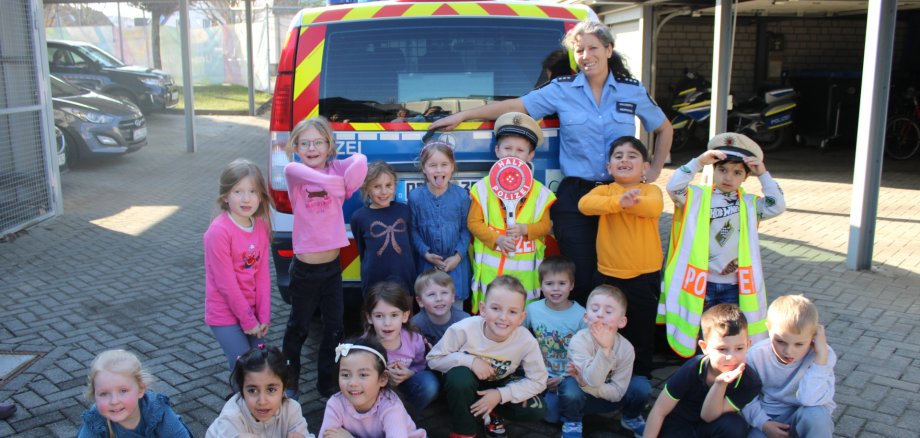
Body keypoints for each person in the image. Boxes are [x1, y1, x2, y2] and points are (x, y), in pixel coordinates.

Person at [430, 20, 673, 305]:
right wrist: (463, 115)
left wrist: (653, 172)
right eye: (579, 50)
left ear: (609, 50)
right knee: (580, 275)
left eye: (593, 48)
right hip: (577, 196)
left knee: (619, 272)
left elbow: (664, 128)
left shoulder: (630, 90)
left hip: (619, 195)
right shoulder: (562, 89)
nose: (586, 56)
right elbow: (517, 106)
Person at [661, 132, 786, 358]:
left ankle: (726, 372)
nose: (728, 177)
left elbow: (777, 205)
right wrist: (698, 162)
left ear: (746, 176)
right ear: (714, 169)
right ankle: (701, 372)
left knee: (729, 336)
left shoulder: (750, 204)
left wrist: (763, 174)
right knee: (703, 337)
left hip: (734, 285)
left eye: (737, 172)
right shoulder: (696, 197)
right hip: (702, 284)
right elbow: (673, 187)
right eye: (723, 170)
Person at [282, 116, 368, 398]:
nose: (312, 148)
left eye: (318, 142)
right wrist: (335, 185)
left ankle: (328, 384)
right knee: (298, 327)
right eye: (304, 143)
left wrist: (340, 180)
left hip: (332, 269)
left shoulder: (335, 168)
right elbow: (300, 171)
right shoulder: (295, 174)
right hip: (304, 270)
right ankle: (289, 382)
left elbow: (360, 161)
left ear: (329, 146)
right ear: (295, 147)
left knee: (335, 329)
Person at [577, 136, 662, 384]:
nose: (624, 160)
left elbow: (653, 208)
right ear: (609, 167)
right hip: (608, 276)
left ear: (645, 167)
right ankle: (604, 372)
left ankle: (640, 379)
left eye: (632, 156)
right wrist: (618, 202)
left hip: (644, 277)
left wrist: (627, 202)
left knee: (641, 330)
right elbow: (585, 204)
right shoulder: (604, 191)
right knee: (604, 327)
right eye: (618, 156)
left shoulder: (652, 190)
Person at [427, 275, 548, 438]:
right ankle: (464, 430)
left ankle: (493, 412)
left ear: (521, 317)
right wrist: (470, 361)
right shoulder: (463, 329)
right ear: (483, 309)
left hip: (500, 383)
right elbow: (433, 360)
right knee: (459, 377)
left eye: (512, 312)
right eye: (496, 308)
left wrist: (500, 395)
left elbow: (538, 380)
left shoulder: (526, 340)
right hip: (467, 384)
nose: (503, 317)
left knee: (536, 409)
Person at [468, 112, 556, 313]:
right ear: (497, 150)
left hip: (525, 278)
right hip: (491, 276)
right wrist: (497, 239)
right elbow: (473, 223)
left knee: (521, 317)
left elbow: (545, 226)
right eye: (507, 148)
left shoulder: (540, 192)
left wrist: (525, 229)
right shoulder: (482, 188)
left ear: (530, 155)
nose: (513, 155)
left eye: (520, 150)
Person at [644, 304, 763, 438]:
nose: (731, 357)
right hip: (679, 426)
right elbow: (659, 410)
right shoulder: (691, 369)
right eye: (722, 349)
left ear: (748, 345)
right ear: (704, 347)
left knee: (735, 426)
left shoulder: (750, 382)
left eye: (739, 348)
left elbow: (708, 416)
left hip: (710, 426)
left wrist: (720, 384)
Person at [204, 159, 273, 372]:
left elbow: (262, 275)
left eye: (253, 191)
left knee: (260, 365)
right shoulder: (219, 232)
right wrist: (248, 321)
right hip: (225, 314)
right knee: (244, 369)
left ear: (261, 195)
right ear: (225, 196)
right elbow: (227, 285)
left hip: (252, 314)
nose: (246, 198)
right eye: (238, 192)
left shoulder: (260, 225)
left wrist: (263, 315)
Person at [559, 285, 650, 438]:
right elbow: (593, 380)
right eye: (595, 309)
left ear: (622, 322)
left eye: (608, 312)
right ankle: (573, 422)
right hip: (582, 396)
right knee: (569, 390)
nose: (600, 314)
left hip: (609, 397)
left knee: (641, 386)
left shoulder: (627, 348)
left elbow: (617, 393)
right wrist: (605, 350)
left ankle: (631, 417)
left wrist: (586, 384)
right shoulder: (578, 341)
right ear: (586, 317)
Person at [743, 295, 836, 438]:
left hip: (805, 414)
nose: (788, 351)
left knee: (817, 416)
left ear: (813, 337)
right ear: (768, 328)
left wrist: (820, 359)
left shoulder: (823, 355)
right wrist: (764, 424)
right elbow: (746, 397)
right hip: (770, 419)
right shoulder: (755, 356)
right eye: (780, 341)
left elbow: (809, 399)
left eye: (799, 344)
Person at [522, 255, 586, 424]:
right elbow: (518, 337)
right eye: (549, 284)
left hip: (569, 376)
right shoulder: (532, 309)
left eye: (562, 283)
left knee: (567, 401)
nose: (555, 289)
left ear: (571, 285)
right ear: (541, 285)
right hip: (541, 373)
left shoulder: (582, 315)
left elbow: (587, 354)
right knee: (547, 416)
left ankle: (574, 415)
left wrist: (563, 377)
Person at [319, 337, 426, 437]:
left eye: (363, 375)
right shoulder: (336, 403)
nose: (352, 383)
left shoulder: (391, 407)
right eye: (345, 375)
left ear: (382, 378)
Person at [409, 141, 472, 307]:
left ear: (452, 167)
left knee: (456, 309)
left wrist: (458, 257)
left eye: (444, 164)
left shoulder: (462, 196)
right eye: (432, 165)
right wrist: (426, 253)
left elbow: (466, 229)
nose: (438, 170)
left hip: (456, 266)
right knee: (429, 306)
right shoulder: (415, 197)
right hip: (427, 265)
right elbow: (413, 230)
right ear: (424, 168)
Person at [362, 281, 440, 411]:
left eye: (394, 315)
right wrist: (382, 376)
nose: (387, 323)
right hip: (376, 393)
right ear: (369, 318)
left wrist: (410, 373)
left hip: (405, 388)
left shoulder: (414, 340)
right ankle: (376, 418)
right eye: (379, 316)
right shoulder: (365, 346)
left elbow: (421, 365)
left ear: (404, 316)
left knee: (429, 384)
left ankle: (405, 417)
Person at [78, 350, 192, 438]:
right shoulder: (95, 422)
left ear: (141, 390)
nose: (114, 401)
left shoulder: (156, 411)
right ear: (94, 395)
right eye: (103, 394)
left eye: (123, 391)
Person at [207, 345, 312, 438]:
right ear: (242, 389)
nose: (262, 401)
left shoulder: (292, 410)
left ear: (284, 388)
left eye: (271, 389)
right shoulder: (231, 418)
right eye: (252, 390)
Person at [350, 161, 415, 295]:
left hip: (405, 280)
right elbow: (362, 250)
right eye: (377, 186)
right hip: (374, 282)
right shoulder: (359, 217)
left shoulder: (405, 211)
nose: (384, 192)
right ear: (366, 189)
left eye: (388, 185)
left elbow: (411, 245)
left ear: (395, 186)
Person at [411, 268, 471, 348]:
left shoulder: (465, 321)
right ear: (420, 301)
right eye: (431, 294)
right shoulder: (415, 325)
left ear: (453, 297)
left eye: (444, 293)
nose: (439, 298)